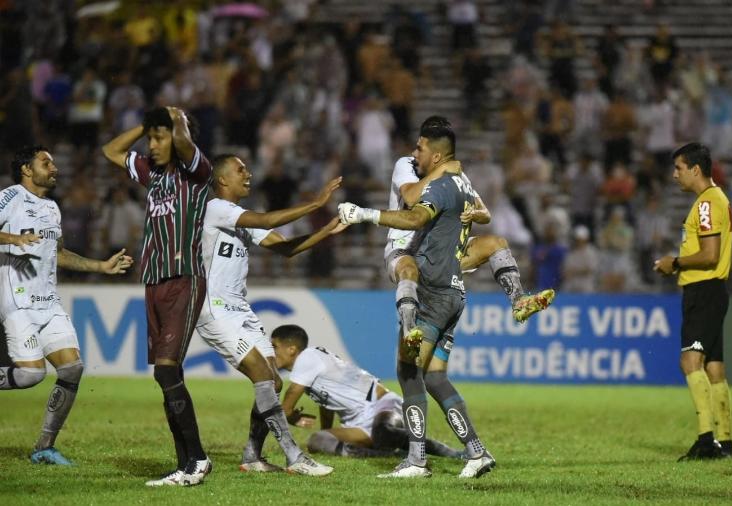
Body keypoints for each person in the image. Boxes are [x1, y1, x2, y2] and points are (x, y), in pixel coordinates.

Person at [337, 122, 495, 478]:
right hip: (455, 290)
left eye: (420, 148)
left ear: (436, 155)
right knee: (435, 377)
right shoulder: (464, 183)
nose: (414, 153)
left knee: (408, 372)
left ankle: (416, 460)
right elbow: (481, 214)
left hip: (434, 290)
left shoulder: (438, 186)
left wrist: (364, 214)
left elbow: (414, 216)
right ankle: (477, 452)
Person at [196, 154, 343, 476]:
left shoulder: (240, 219)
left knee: (274, 381)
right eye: (240, 170)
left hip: (241, 310)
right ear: (223, 180)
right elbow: (265, 221)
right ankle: (294, 456)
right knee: (263, 377)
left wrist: (326, 231)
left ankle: (252, 455)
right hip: (215, 309)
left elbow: (286, 248)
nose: (248, 174)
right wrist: (316, 204)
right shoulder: (217, 209)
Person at [1, 146, 133, 465]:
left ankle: (44, 446)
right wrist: (11, 239)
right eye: (46, 162)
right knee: (32, 375)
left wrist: (101, 267)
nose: (54, 167)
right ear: (26, 170)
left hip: (49, 303)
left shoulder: (52, 208)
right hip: (18, 303)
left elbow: (58, 253)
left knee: (72, 368)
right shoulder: (9, 197)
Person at [102, 106, 212, 486]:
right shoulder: (152, 174)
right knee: (167, 374)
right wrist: (146, 125)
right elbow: (111, 152)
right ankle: (184, 466)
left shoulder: (197, 172)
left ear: (179, 137)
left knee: (166, 369)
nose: (152, 144)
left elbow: (184, 141)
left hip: (184, 278)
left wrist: (175, 120)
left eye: (159, 137)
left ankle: (197, 460)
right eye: (150, 138)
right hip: (153, 279)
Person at [384, 116, 554, 343]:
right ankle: (409, 331)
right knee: (408, 269)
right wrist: (443, 173)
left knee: (496, 243)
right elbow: (410, 196)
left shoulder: (457, 176)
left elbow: (486, 214)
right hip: (404, 250)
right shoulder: (406, 164)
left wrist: (476, 213)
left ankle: (519, 301)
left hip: (440, 255)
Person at [270, 324, 464, 460]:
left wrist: (290, 416)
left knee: (384, 432)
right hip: (358, 423)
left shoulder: (306, 358)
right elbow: (326, 404)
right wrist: (326, 430)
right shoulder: (310, 365)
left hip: (382, 404)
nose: (271, 351)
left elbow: (286, 405)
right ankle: (388, 455)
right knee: (318, 440)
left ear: (292, 349)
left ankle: (453, 454)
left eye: (274, 346)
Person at [654, 142, 732, 461]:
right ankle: (725, 443)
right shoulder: (719, 199)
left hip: (702, 291)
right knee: (714, 368)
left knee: (689, 362)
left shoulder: (706, 204)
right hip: (714, 291)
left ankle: (705, 441)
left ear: (695, 170)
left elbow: (709, 254)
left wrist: (673, 263)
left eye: (679, 168)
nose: (675, 174)